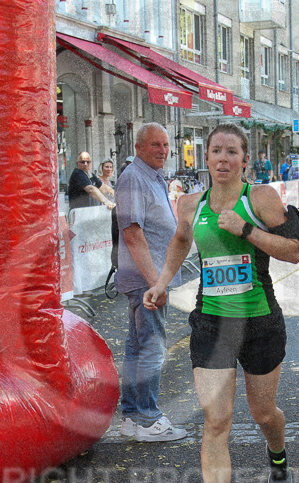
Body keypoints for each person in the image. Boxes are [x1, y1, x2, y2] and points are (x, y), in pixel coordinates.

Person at [143, 123, 299, 483]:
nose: (223, 158)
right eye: (216, 150)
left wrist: (246, 230)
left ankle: (277, 454)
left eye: (232, 151)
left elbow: (293, 251)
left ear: (244, 160)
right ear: (206, 157)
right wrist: (161, 282)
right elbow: (181, 241)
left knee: (263, 414)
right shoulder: (190, 204)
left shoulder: (260, 198)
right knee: (217, 420)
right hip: (212, 325)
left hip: (259, 323)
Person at [115, 122, 188, 441]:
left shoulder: (151, 176)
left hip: (149, 279)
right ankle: (148, 419)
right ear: (139, 147)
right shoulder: (134, 177)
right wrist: (156, 283)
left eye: (165, 144)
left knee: (138, 347)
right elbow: (133, 234)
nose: (163, 150)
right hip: (147, 280)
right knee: (151, 348)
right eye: (155, 144)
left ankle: (133, 417)